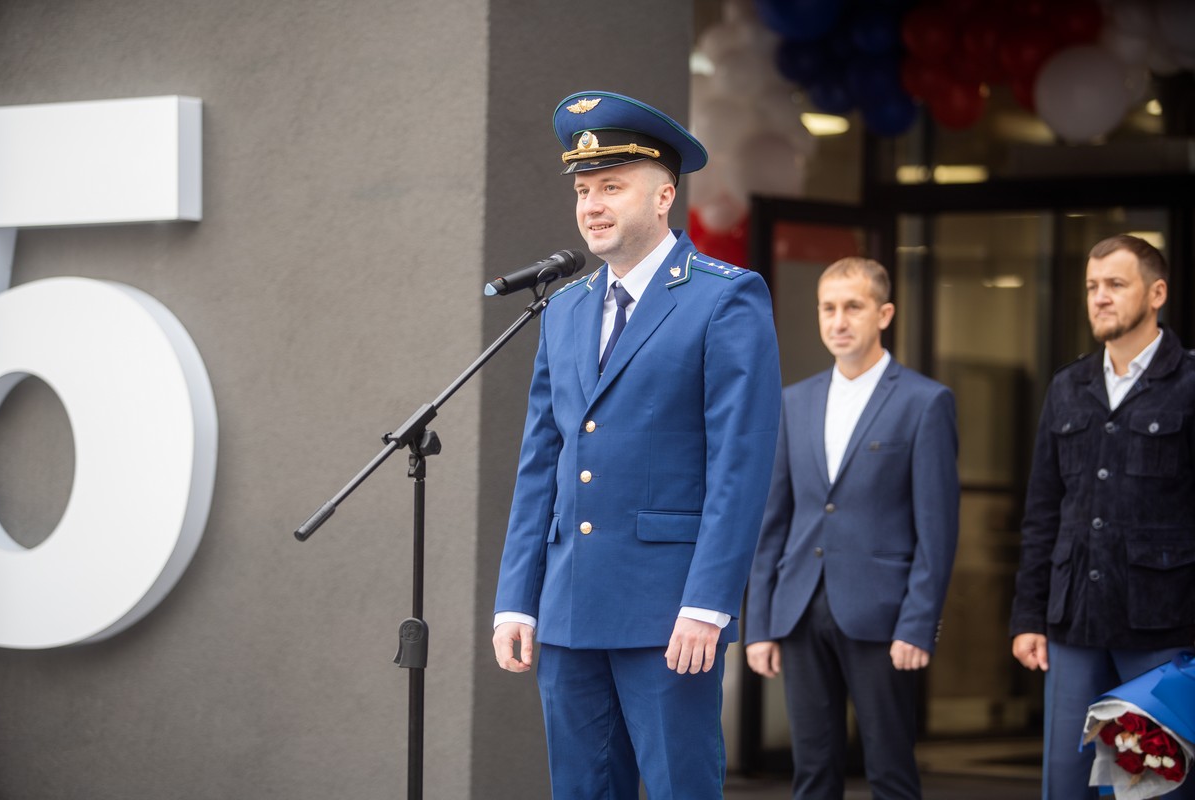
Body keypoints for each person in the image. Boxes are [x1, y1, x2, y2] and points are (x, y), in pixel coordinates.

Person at [490, 90, 781, 800]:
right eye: (583, 190)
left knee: (682, 786)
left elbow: (740, 466)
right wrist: (516, 598)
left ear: (664, 196)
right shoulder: (564, 309)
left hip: (668, 611)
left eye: (611, 187)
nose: (592, 205)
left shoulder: (724, 298)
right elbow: (541, 462)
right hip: (569, 604)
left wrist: (708, 602)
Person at [745, 257, 959, 800]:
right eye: (828, 308)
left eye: (853, 307)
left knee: (890, 772)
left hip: (883, 616)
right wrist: (760, 624)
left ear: (883, 314)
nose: (838, 321)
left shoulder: (924, 402)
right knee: (812, 774)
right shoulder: (794, 401)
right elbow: (773, 522)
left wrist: (918, 624)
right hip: (799, 610)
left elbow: (937, 530)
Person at [1010, 233, 1195, 800]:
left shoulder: (1189, 384)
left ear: (1157, 293)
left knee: (1154, 789)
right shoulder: (1068, 386)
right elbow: (1043, 511)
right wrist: (1028, 616)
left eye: (1115, 284)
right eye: (1092, 286)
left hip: (1162, 628)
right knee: (1066, 786)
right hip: (1073, 623)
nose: (1100, 297)